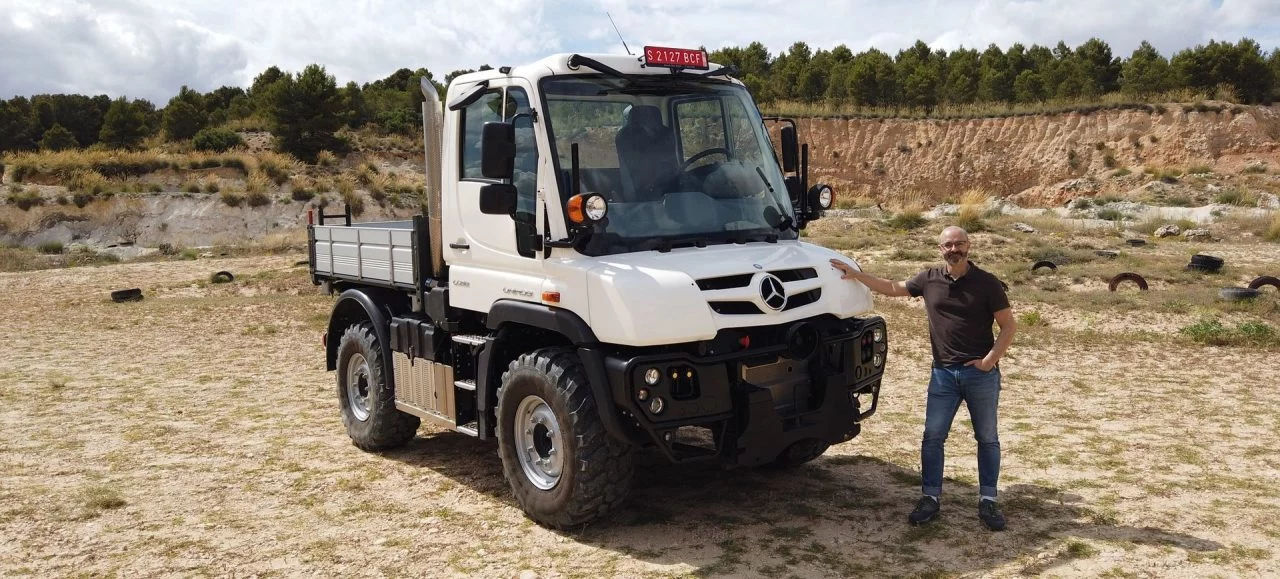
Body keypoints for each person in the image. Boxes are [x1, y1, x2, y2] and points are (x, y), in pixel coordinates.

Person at [829, 226, 1016, 531]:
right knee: (932, 437)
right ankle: (930, 498)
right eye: (948, 245)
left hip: (980, 375)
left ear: (969, 246)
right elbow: (893, 287)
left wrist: (988, 361)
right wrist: (855, 274)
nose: (954, 249)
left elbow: (1008, 326)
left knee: (987, 438)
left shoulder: (987, 283)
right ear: (940, 248)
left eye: (959, 244)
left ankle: (988, 501)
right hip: (942, 374)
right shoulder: (929, 278)